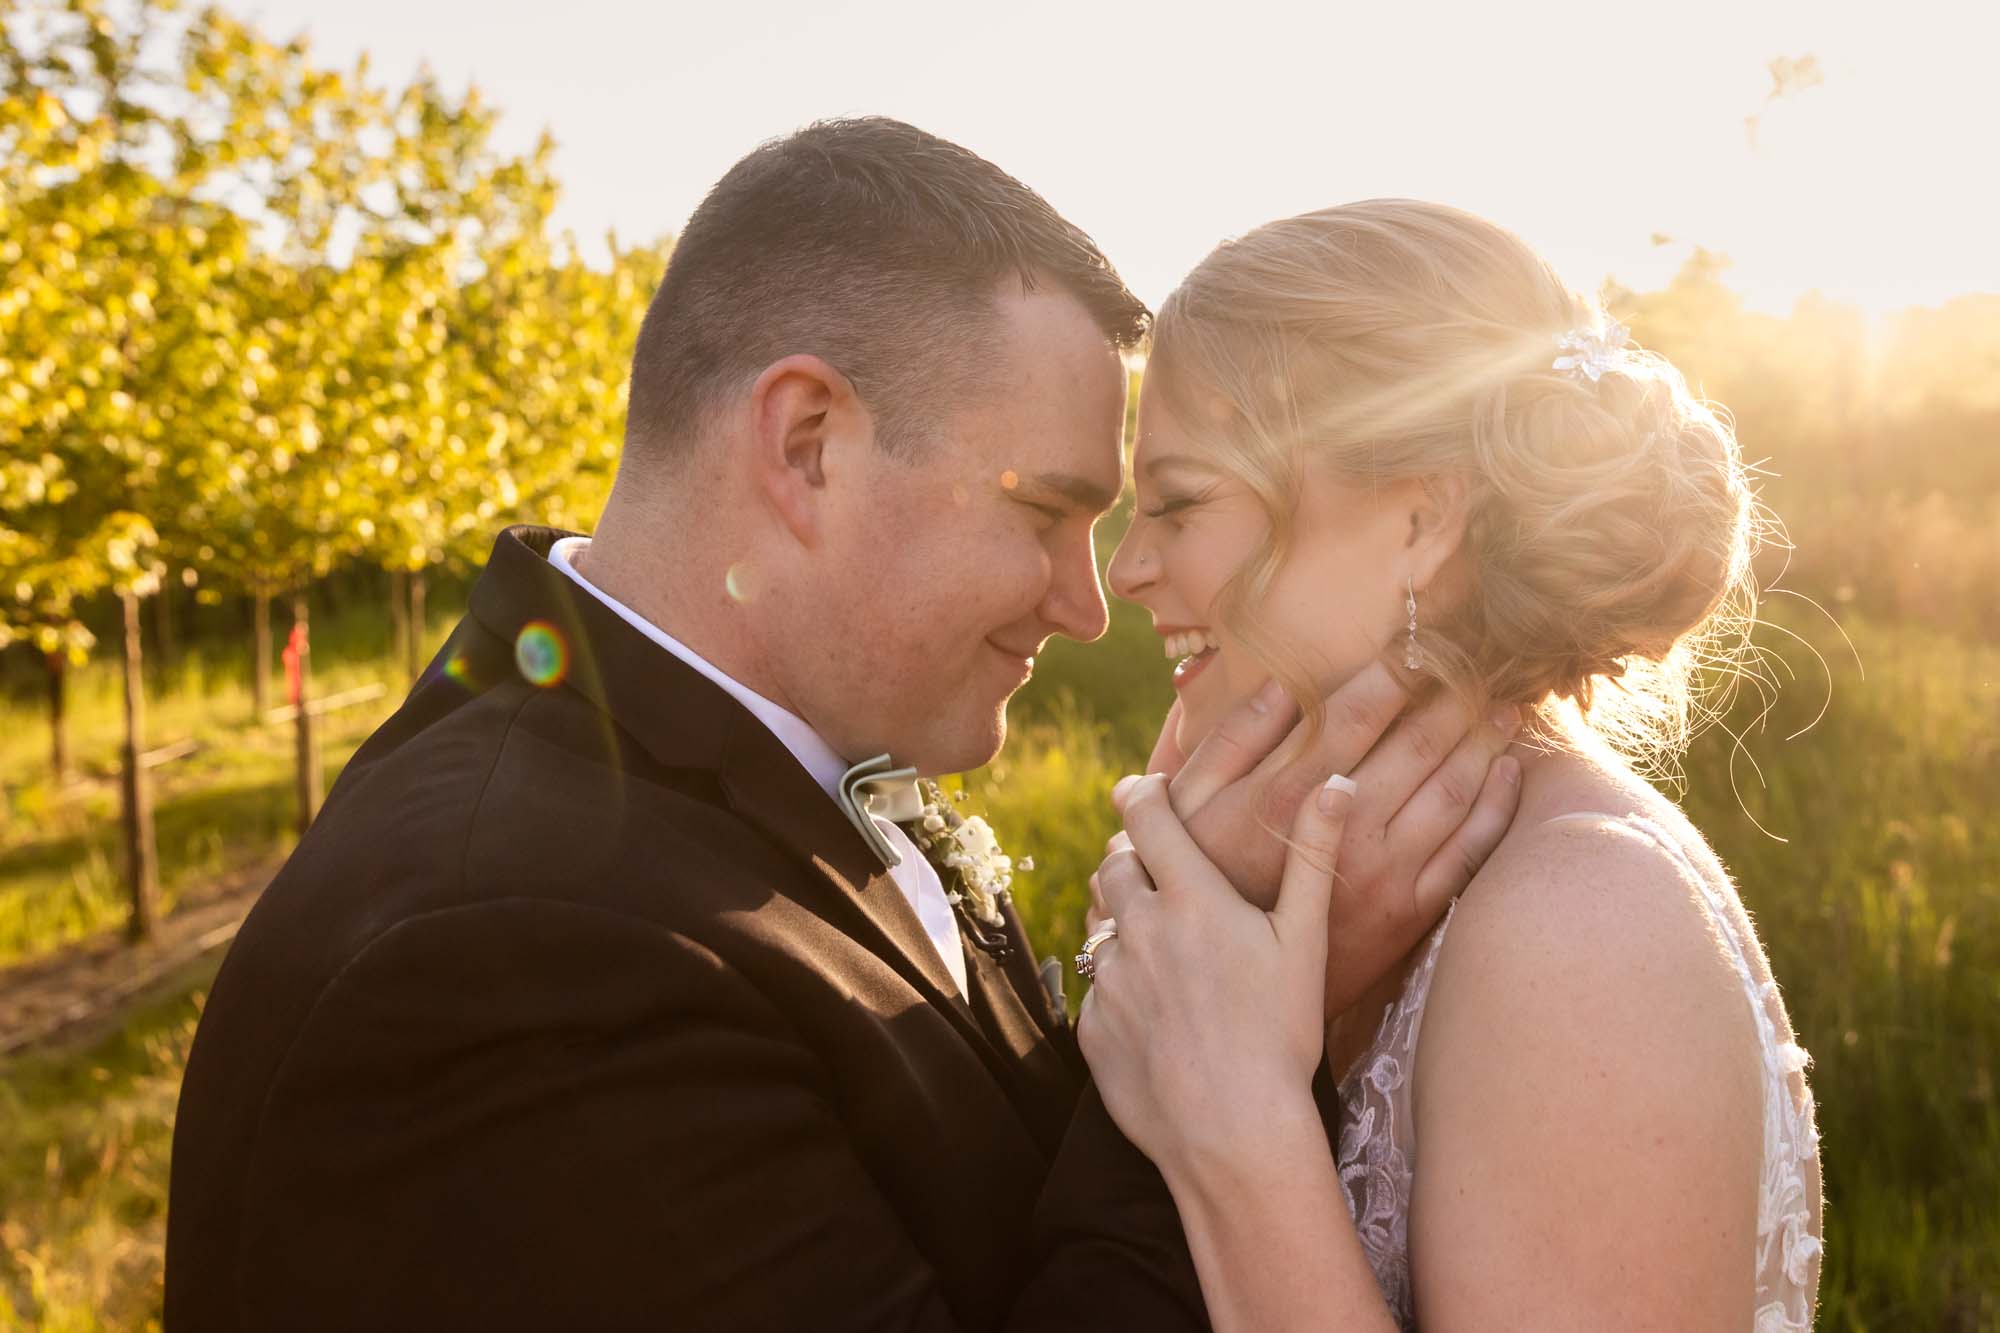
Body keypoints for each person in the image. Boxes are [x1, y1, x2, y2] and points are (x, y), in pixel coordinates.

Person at [164, 123, 1519, 1331]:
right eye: (1046, 514)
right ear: (809, 442)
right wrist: (1228, 1035)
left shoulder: (759, 769)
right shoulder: (506, 957)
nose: (1086, 602)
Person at [1076, 199, 1823, 1331]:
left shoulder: (1579, 927)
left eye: (1177, 502)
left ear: (1421, 519)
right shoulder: (1337, 857)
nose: (1124, 569)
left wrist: (1229, 1119)